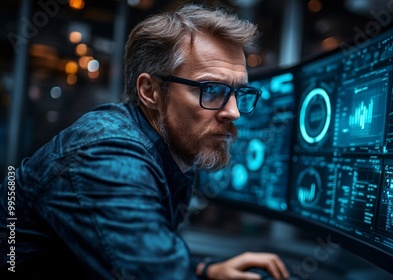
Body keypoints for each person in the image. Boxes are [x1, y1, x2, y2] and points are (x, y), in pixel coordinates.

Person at [0, 4, 289, 280]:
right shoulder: (108, 156)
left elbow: (143, 256)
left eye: (241, 93)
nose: (234, 112)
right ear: (150, 91)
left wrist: (203, 270)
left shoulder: (166, 148)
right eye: (211, 89)